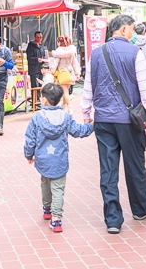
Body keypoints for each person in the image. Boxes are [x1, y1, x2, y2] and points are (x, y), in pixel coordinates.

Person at [81, 14, 146, 234]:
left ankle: (113, 219)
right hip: (129, 120)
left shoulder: (96, 54)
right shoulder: (135, 53)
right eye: (133, 30)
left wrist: (86, 112)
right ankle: (140, 207)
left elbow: (89, 85)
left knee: (108, 169)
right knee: (135, 164)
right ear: (124, 30)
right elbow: (145, 88)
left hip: (104, 120)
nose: (134, 34)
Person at [24, 83, 94, 234]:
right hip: (59, 160)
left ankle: (47, 209)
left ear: (44, 100)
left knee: (45, 182)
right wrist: (90, 126)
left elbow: (30, 139)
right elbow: (78, 131)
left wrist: (29, 155)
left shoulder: (37, 118)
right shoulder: (66, 117)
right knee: (58, 188)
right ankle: (56, 220)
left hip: (43, 159)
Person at [51, 36, 80, 110]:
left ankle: (70, 108)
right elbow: (74, 63)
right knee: (66, 90)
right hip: (70, 73)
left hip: (62, 73)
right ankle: (64, 105)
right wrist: (77, 73)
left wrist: (52, 72)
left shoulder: (58, 51)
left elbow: (55, 63)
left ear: (59, 42)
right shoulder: (71, 51)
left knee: (65, 92)